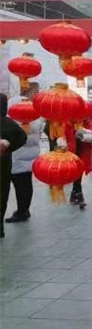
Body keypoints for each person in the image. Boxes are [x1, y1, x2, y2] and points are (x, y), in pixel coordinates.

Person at [5, 99, 43, 223]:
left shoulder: (15, 121)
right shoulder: (36, 119)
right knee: (26, 184)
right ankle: (24, 210)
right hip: (29, 156)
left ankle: (22, 211)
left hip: (17, 157)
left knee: (20, 186)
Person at [0, 93, 27, 238]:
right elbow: (22, 137)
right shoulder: (9, 123)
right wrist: (8, 147)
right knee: (2, 193)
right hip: (4, 164)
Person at [63, 118, 92, 206]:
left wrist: (82, 134)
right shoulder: (68, 122)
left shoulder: (86, 121)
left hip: (83, 151)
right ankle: (78, 196)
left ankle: (76, 195)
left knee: (79, 173)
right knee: (76, 173)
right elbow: (65, 135)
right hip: (72, 152)